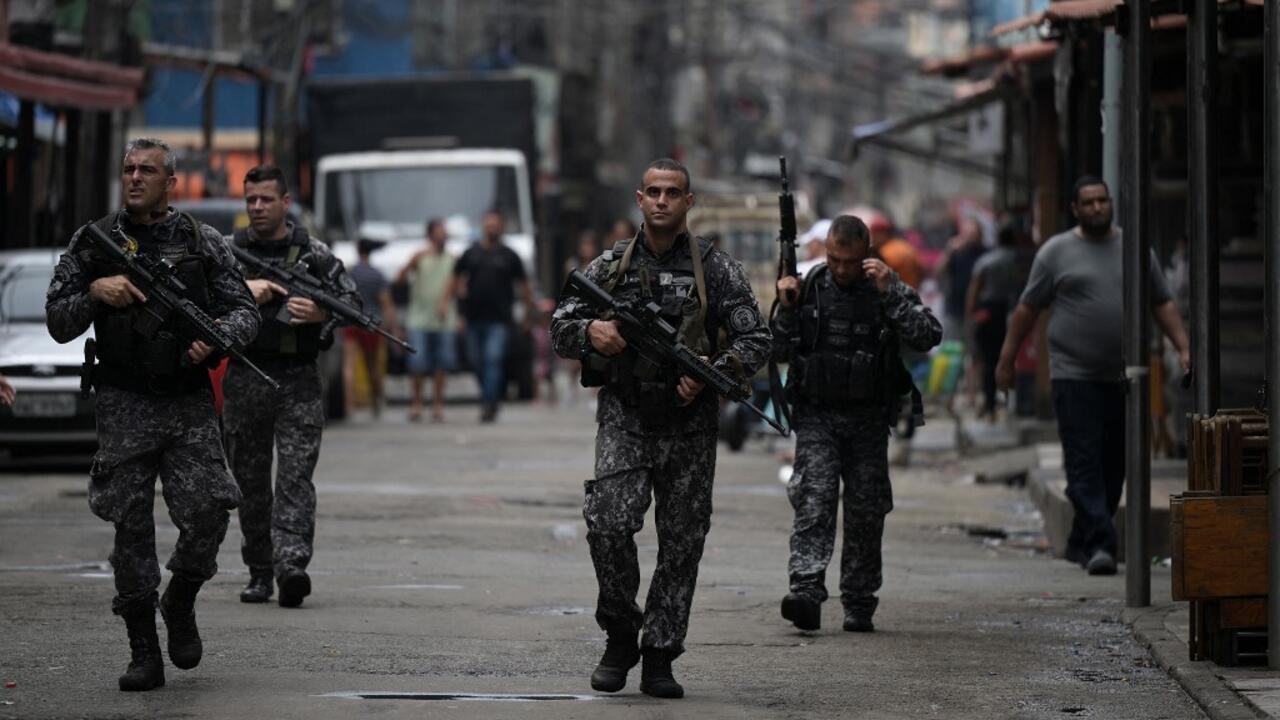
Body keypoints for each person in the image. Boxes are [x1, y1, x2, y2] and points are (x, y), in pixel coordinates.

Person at [550, 159, 770, 699]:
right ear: (639, 198)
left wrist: (714, 375)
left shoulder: (716, 269)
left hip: (690, 427)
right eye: (654, 192)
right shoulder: (608, 266)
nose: (663, 201)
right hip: (625, 417)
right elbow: (559, 327)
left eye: (673, 192)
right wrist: (592, 332)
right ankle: (621, 632)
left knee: (682, 542)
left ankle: (660, 654)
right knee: (607, 523)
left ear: (689, 202)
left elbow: (756, 338)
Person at [45, 137, 259, 691]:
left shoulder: (201, 241)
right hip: (124, 405)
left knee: (212, 509)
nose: (135, 178)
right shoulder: (94, 243)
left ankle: (181, 596)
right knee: (130, 529)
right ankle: (143, 650)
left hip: (187, 405)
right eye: (128, 169)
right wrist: (96, 291)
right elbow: (58, 321)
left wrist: (216, 341)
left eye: (148, 170)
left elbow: (243, 310)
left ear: (172, 182)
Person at [996, 176, 1190, 576]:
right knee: (1083, 459)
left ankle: (1081, 541)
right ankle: (1102, 544)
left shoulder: (1135, 250)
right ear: (1075, 208)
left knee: (1114, 464)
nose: (1098, 208)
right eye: (1089, 202)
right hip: (1073, 373)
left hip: (1124, 375)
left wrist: (1184, 346)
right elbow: (1027, 310)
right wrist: (1007, 358)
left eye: (1103, 200)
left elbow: (1162, 301)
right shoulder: (1056, 252)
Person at [772, 215, 941, 635]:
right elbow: (774, 347)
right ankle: (806, 590)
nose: (842, 269)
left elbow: (928, 335)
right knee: (815, 500)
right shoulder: (808, 285)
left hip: (868, 418)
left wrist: (891, 295)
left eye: (850, 261)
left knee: (866, 511)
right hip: (817, 416)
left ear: (866, 254)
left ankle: (860, 600)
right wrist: (787, 307)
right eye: (834, 259)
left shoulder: (885, 285)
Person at [222, 164, 360, 609]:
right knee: (250, 481)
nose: (257, 208)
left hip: (298, 379)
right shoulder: (228, 251)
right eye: (250, 200)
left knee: (296, 478)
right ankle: (259, 570)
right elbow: (199, 298)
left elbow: (353, 303)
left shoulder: (313, 252)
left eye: (266, 199)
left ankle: (291, 566)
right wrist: (248, 291)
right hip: (246, 376)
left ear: (286, 203)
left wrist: (321, 313)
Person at [443, 210, 534, 422]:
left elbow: (524, 286)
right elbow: (455, 279)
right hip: (473, 318)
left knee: (493, 359)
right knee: (476, 362)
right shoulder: (471, 253)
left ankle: (489, 402)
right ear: (483, 226)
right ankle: (490, 396)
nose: (491, 227)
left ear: (501, 227)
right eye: (488, 224)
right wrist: (452, 305)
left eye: (495, 224)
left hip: (500, 320)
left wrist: (528, 313)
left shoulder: (510, 255)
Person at [397, 218, 457, 422]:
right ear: (431, 234)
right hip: (418, 318)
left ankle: (438, 403)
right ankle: (417, 403)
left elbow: (458, 285)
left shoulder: (452, 259)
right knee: (417, 362)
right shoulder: (419, 257)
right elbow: (399, 280)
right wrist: (411, 263)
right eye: (441, 231)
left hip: (444, 319)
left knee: (442, 363)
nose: (445, 235)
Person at [966, 222, 1025, 421]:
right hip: (1018, 311)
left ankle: (991, 404)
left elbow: (974, 290)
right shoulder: (1021, 260)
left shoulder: (986, 260)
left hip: (989, 313)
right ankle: (1012, 402)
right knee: (1015, 358)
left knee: (990, 361)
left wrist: (971, 314)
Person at [344, 238, 397, 418]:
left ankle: (349, 405)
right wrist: (392, 327)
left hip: (351, 320)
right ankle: (377, 402)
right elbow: (386, 302)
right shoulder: (377, 275)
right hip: (371, 323)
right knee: (372, 365)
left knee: (349, 365)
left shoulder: (350, 273)